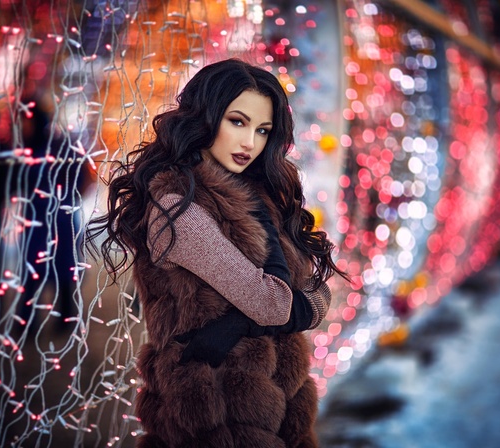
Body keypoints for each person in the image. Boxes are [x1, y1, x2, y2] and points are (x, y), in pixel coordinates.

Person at [87, 58, 346, 447]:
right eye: (237, 122)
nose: (250, 144)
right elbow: (275, 305)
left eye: (263, 130)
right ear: (205, 117)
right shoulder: (177, 208)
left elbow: (317, 290)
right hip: (218, 411)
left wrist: (238, 324)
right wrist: (288, 308)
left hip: (281, 405)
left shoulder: (254, 194)